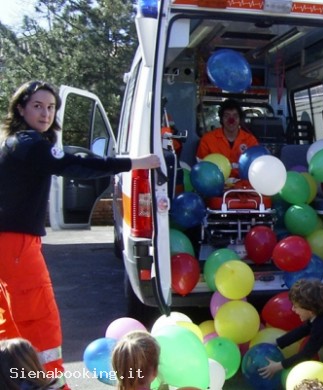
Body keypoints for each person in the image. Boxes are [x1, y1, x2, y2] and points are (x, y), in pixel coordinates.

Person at [0, 80, 160, 385]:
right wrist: (135, 162)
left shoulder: (17, 144)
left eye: (50, 107)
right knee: (39, 319)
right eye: (37, 106)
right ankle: (52, 384)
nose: (46, 113)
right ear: (20, 108)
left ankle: (13, 379)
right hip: (17, 247)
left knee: (12, 320)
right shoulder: (30, 144)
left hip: (11, 245)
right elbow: (76, 165)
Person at [259, 279, 323, 379]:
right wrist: (277, 343)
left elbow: (306, 354)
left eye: (296, 306)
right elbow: (302, 330)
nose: (293, 309)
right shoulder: (321, 314)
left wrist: (278, 366)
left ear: (310, 310)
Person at [195, 98, 259, 177]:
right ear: (221, 118)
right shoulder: (207, 140)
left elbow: (256, 167)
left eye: (235, 116)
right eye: (226, 116)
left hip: (242, 184)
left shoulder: (250, 141)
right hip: (215, 183)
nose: (231, 120)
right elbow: (201, 168)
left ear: (240, 119)